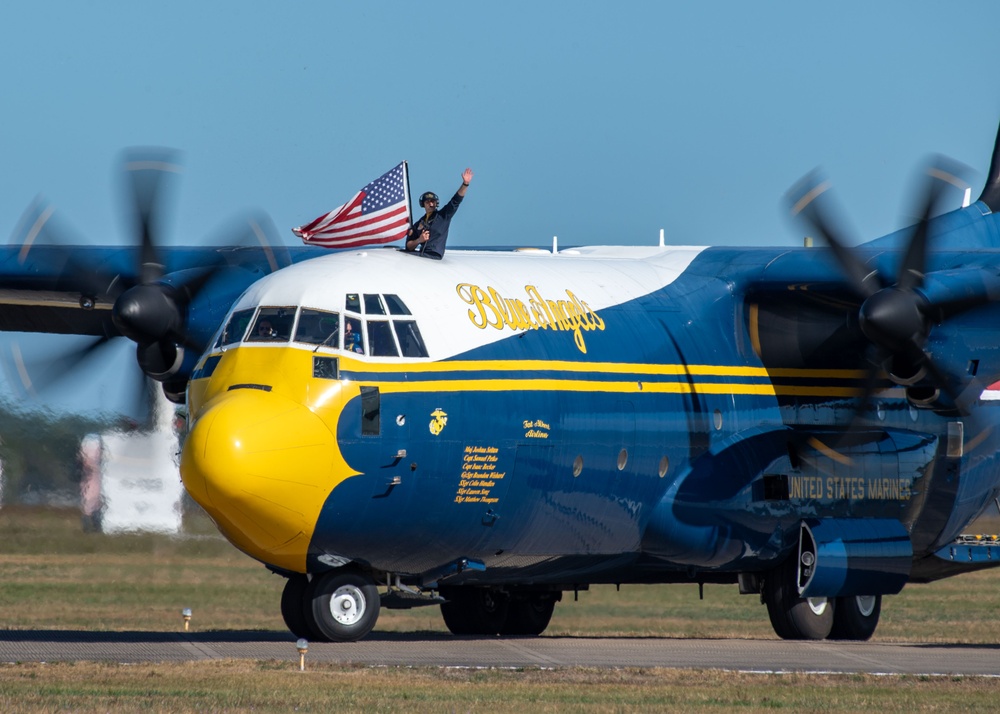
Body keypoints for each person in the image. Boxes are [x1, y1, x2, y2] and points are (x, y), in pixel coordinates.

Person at [405, 168, 474, 260]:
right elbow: (408, 246)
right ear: (423, 204)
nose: (431, 204)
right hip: (421, 256)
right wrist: (419, 240)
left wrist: (465, 184)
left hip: (434, 256)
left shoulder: (443, 216)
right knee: (401, 253)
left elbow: (456, 201)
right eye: (428, 202)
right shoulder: (419, 223)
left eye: (433, 202)